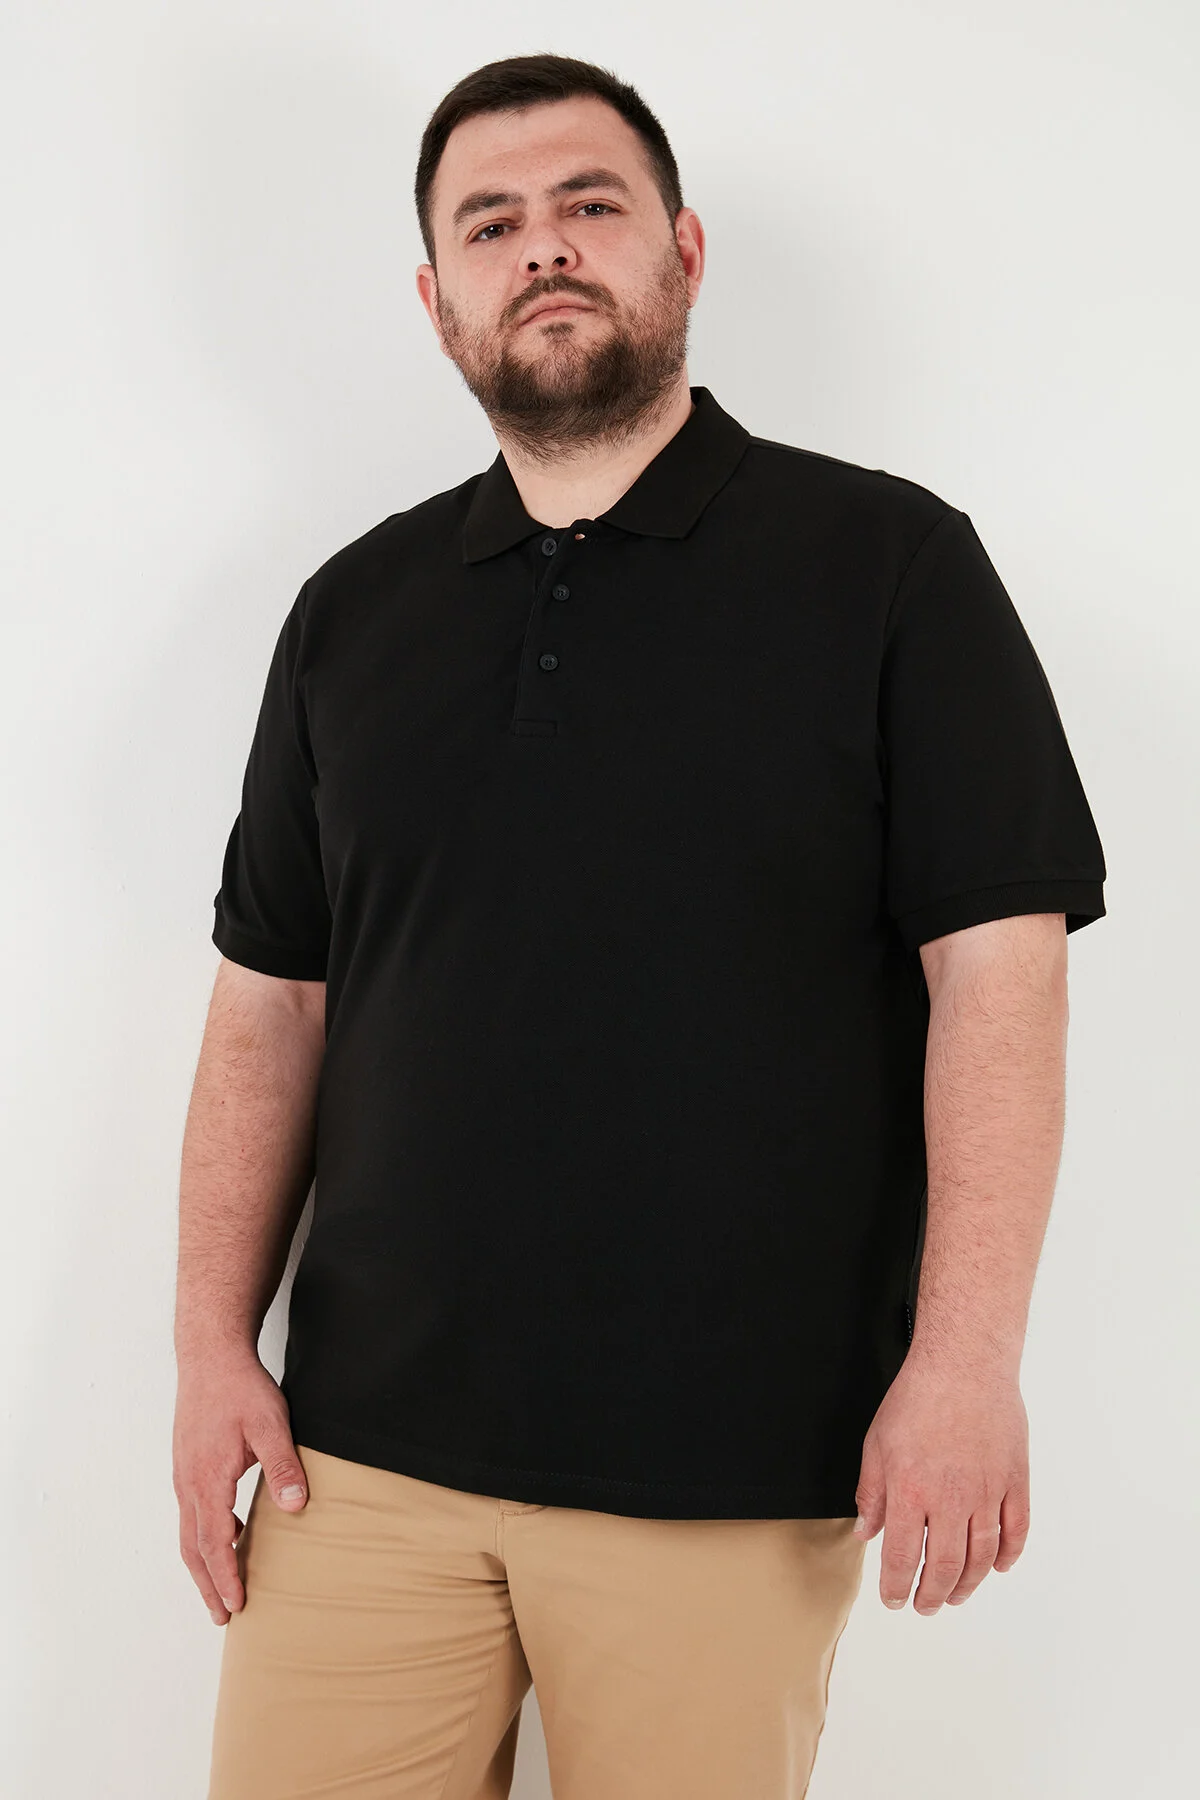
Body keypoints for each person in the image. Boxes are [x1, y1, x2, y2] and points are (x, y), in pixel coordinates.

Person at [175, 52, 1107, 1800]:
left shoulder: (893, 567)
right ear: (437, 299)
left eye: (588, 205)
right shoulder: (349, 612)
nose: (542, 247)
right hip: (353, 1466)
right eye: (491, 225)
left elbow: (1000, 977)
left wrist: (970, 1359)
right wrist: (208, 1348)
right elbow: (270, 1006)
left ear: (680, 250)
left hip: (728, 1470)